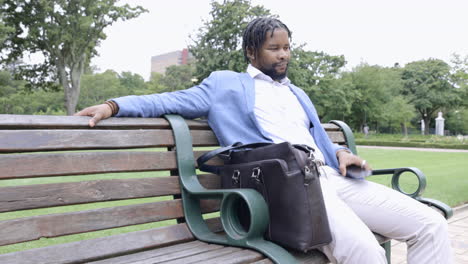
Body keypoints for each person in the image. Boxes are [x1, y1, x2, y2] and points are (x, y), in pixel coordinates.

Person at [76, 17, 452, 264]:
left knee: (430, 225)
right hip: (289, 187)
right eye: (275, 48)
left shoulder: (296, 92)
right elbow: (168, 100)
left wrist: (339, 152)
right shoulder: (225, 83)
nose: (284, 54)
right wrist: (113, 105)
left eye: (287, 47)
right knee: (366, 253)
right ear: (251, 52)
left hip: (333, 180)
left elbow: (314, 135)